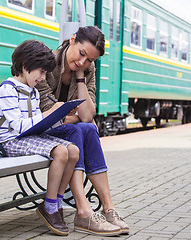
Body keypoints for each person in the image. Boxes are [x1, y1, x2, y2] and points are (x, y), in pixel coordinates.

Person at [37, 26, 129, 236]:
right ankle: (83, 209)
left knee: (86, 128)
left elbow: (87, 115)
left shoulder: (87, 70)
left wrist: (80, 77)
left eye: (89, 60)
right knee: (78, 130)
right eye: (81, 54)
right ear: (72, 40)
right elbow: (46, 112)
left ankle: (108, 208)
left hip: (67, 132)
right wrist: (73, 115)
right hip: (42, 132)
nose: (82, 62)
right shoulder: (47, 64)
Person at [0, 40, 79, 236]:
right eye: (41, 71)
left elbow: (37, 124)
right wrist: (50, 113)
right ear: (25, 66)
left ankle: (56, 202)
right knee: (60, 152)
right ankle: (49, 207)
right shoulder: (8, 90)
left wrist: (62, 115)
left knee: (73, 151)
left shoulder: (32, 91)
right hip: (11, 141)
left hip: (27, 137)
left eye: (45, 73)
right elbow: (19, 126)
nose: (43, 77)